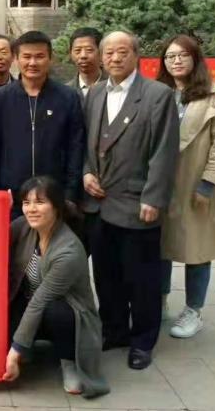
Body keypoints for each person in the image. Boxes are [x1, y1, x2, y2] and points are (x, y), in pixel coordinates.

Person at [82, 30, 179, 370]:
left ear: (136, 55)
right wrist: (86, 173)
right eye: (108, 52)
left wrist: (154, 198)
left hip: (138, 203)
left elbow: (165, 151)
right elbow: (86, 142)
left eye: (122, 52)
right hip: (98, 202)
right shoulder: (95, 93)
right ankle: (115, 330)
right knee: (105, 275)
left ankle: (142, 341)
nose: (114, 58)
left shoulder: (157, 95)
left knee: (141, 278)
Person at [4, 176, 109, 399]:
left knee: (55, 310)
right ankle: (26, 345)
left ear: (57, 207)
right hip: (31, 305)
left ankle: (69, 361)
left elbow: (40, 300)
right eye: (26, 202)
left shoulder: (68, 250)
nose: (31, 209)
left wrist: (15, 351)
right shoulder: (24, 226)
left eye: (40, 202)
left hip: (67, 315)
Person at [156, 34, 215, 339]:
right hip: (160, 184)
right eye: (170, 56)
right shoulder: (158, 93)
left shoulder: (214, 95)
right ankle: (159, 300)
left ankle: (193, 310)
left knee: (197, 249)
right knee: (159, 247)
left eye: (182, 55)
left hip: (194, 183)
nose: (176, 61)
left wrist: (208, 184)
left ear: (195, 59)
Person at [0, 31, 85, 219]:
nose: (32, 62)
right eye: (27, 56)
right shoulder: (0, 99)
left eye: (39, 56)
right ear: (16, 59)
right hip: (12, 199)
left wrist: (70, 194)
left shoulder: (67, 97)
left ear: (50, 59)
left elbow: (75, 148)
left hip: (53, 197)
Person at [67, 27, 105, 103]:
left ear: (101, 52)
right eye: (77, 50)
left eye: (89, 50)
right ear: (70, 54)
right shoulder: (65, 92)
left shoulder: (114, 87)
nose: (83, 55)